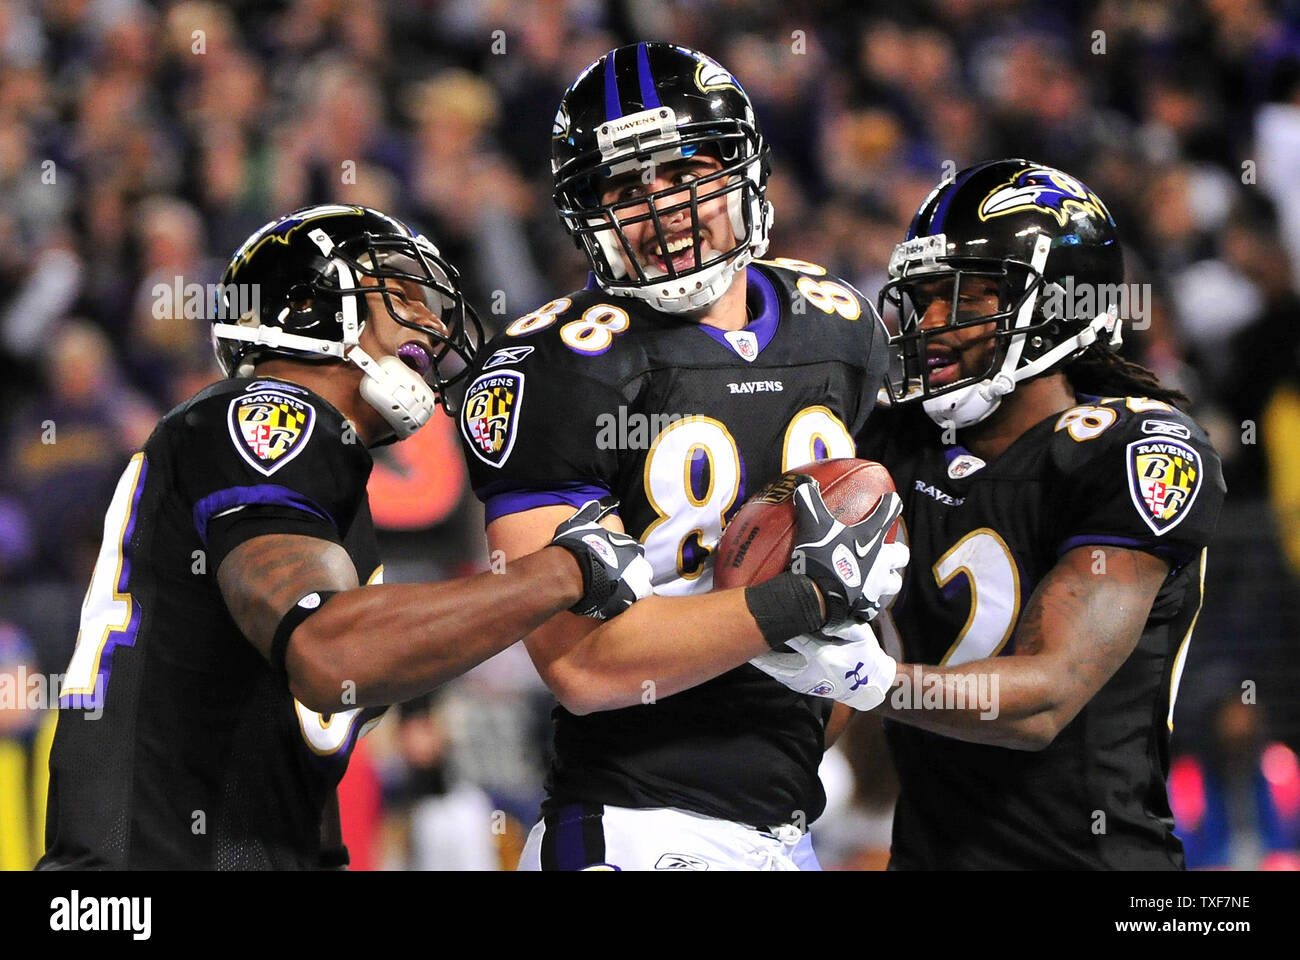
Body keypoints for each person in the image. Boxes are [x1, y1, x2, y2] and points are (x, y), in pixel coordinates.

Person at [38, 204, 655, 870]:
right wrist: (565, 571)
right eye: (402, 293)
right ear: (311, 305)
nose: (432, 322)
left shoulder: (324, 472)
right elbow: (330, 651)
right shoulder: (270, 413)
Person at [459, 43, 905, 871]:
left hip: (786, 826)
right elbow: (583, 666)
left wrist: (849, 644)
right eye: (624, 189)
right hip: (636, 817)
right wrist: (795, 611)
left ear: (744, 170)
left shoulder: (839, 327)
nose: (659, 208)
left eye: (680, 172)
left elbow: (861, 543)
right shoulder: (557, 366)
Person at [844, 159, 1226, 868]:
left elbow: (1043, 700)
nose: (929, 325)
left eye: (961, 299)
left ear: (1059, 304)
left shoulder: (1134, 449)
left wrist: (866, 680)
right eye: (920, 300)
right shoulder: (893, 443)